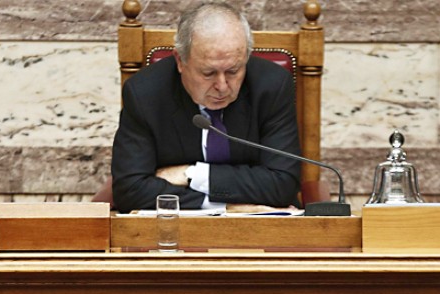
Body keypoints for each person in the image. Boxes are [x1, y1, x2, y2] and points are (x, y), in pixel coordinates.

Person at [110, 2, 301, 213]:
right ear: (180, 61)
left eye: (233, 71)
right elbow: (130, 190)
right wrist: (225, 206)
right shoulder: (145, 94)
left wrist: (191, 174)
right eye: (208, 73)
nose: (222, 86)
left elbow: (283, 184)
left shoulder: (272, 86)